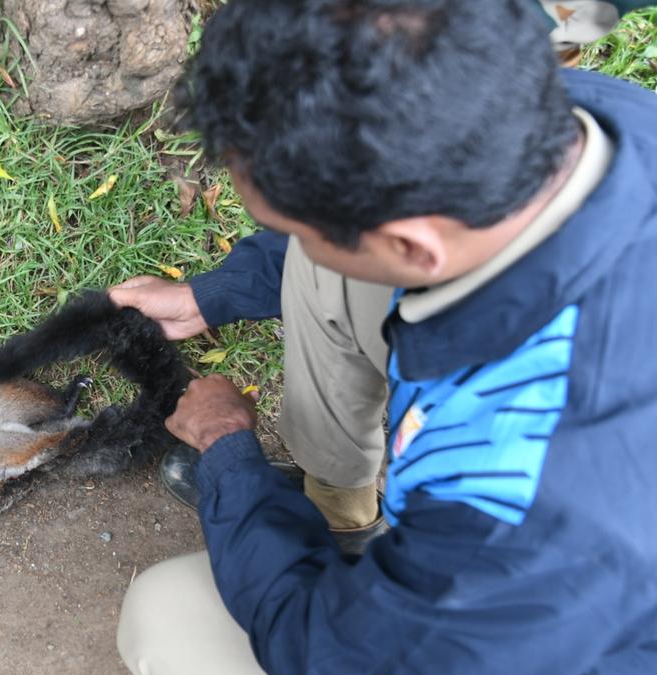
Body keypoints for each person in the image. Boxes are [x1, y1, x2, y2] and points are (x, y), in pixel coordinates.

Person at [110, 1, 657, 673]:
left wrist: (228, 447)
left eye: (298, 229)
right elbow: (354, 214)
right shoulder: (584, 117)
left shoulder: (513, 510)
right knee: (330, 271)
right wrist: (210, 295)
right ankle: (340, 511)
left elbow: (327, 651)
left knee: (167, 617)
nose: (299, 244)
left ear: (412, 244)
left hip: (542, 628)